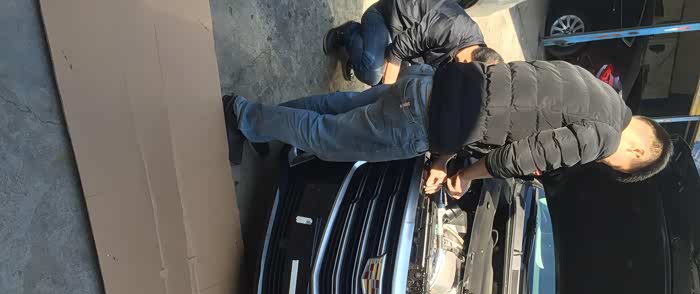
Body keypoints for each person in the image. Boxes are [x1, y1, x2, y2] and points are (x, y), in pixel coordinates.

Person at [223, 60, 672, 190]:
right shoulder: (602, 138)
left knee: (339, 107)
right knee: (328, 138)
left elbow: (503, 98)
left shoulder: (594, 86)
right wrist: (465, 175)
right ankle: (241, 114)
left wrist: (443, 158)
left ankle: (256, 125)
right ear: (637, 152)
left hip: (434, 83)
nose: (611, 164)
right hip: (424, 119)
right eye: (623, 168)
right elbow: (519, 157)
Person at [323, 0, 502, 86]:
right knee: (373, 74)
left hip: (408, 42)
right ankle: (350, 33)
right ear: (467, 61)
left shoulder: (476, 46)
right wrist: (386, 93)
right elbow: (398, 51)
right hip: (385, 18)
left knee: (403, 83)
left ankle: (365, 50)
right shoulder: (452, 27)